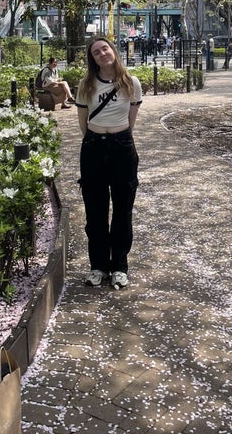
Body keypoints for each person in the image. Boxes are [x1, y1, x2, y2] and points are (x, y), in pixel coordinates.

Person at [75, 36, 142, 290]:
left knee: (123, 209)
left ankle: (120, 267)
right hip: (93, 147)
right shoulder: (86, 85)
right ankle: (98, 266)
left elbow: (132, 119)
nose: (102, 54)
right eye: (96, 52)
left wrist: (118, 137)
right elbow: (82, 121)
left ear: (113, 50)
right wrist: (95, 140)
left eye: (105, 48)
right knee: (95, 210)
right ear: (92, 59)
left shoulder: (131, 83)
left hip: (122, 147)